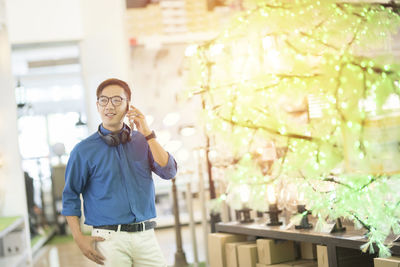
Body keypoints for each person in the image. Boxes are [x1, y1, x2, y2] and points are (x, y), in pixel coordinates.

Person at [62, 78, 177, 266]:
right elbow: (70, 196)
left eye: (117, 100)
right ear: (97, 105)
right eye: (103, 100)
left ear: (128, 106)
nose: (109, 106)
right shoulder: (83, 151)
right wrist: (78, 237)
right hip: (108, 240)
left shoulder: (143, 141)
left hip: (146, 236)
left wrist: (147, 132)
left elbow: (168, 171)